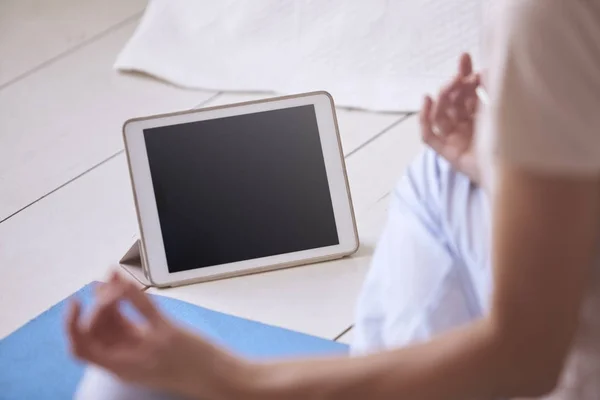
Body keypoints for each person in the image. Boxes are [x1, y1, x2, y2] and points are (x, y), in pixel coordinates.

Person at [69, 1, 600, 398]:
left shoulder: (544, 13)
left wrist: (235, 380)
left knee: (119, 386)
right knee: (442, 171)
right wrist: (504, 165)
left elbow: (528, 353)